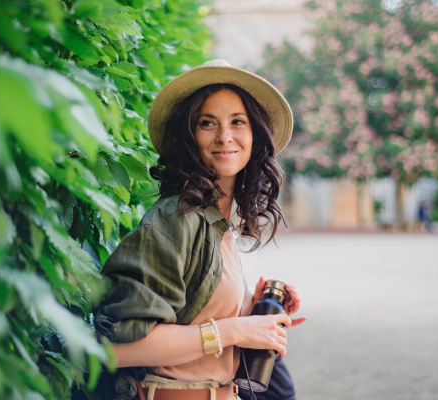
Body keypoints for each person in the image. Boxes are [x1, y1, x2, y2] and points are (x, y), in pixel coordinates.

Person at [93, 60, 306, 400]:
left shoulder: (217, 222)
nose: (225, 136)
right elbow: (118, 349)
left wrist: (254, 313)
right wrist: (235, 329)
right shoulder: (175, 219)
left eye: (238, 122)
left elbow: (194, 320)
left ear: (255, 135)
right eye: (207, 123)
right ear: (188, 137)